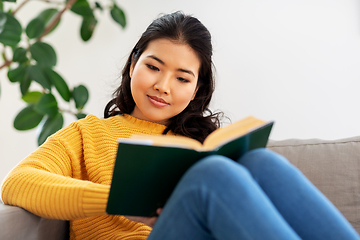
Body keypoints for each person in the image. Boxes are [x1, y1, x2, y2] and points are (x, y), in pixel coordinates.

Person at [1, 11, 359, 240]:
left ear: (196, 89)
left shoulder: (205, 142)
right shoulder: (86, 134)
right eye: (153, 67)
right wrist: (118, 201)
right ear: (133, 65)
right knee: (213, 174)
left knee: (260, 163)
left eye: (182, 78)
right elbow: (18, 184)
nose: (163, 85)